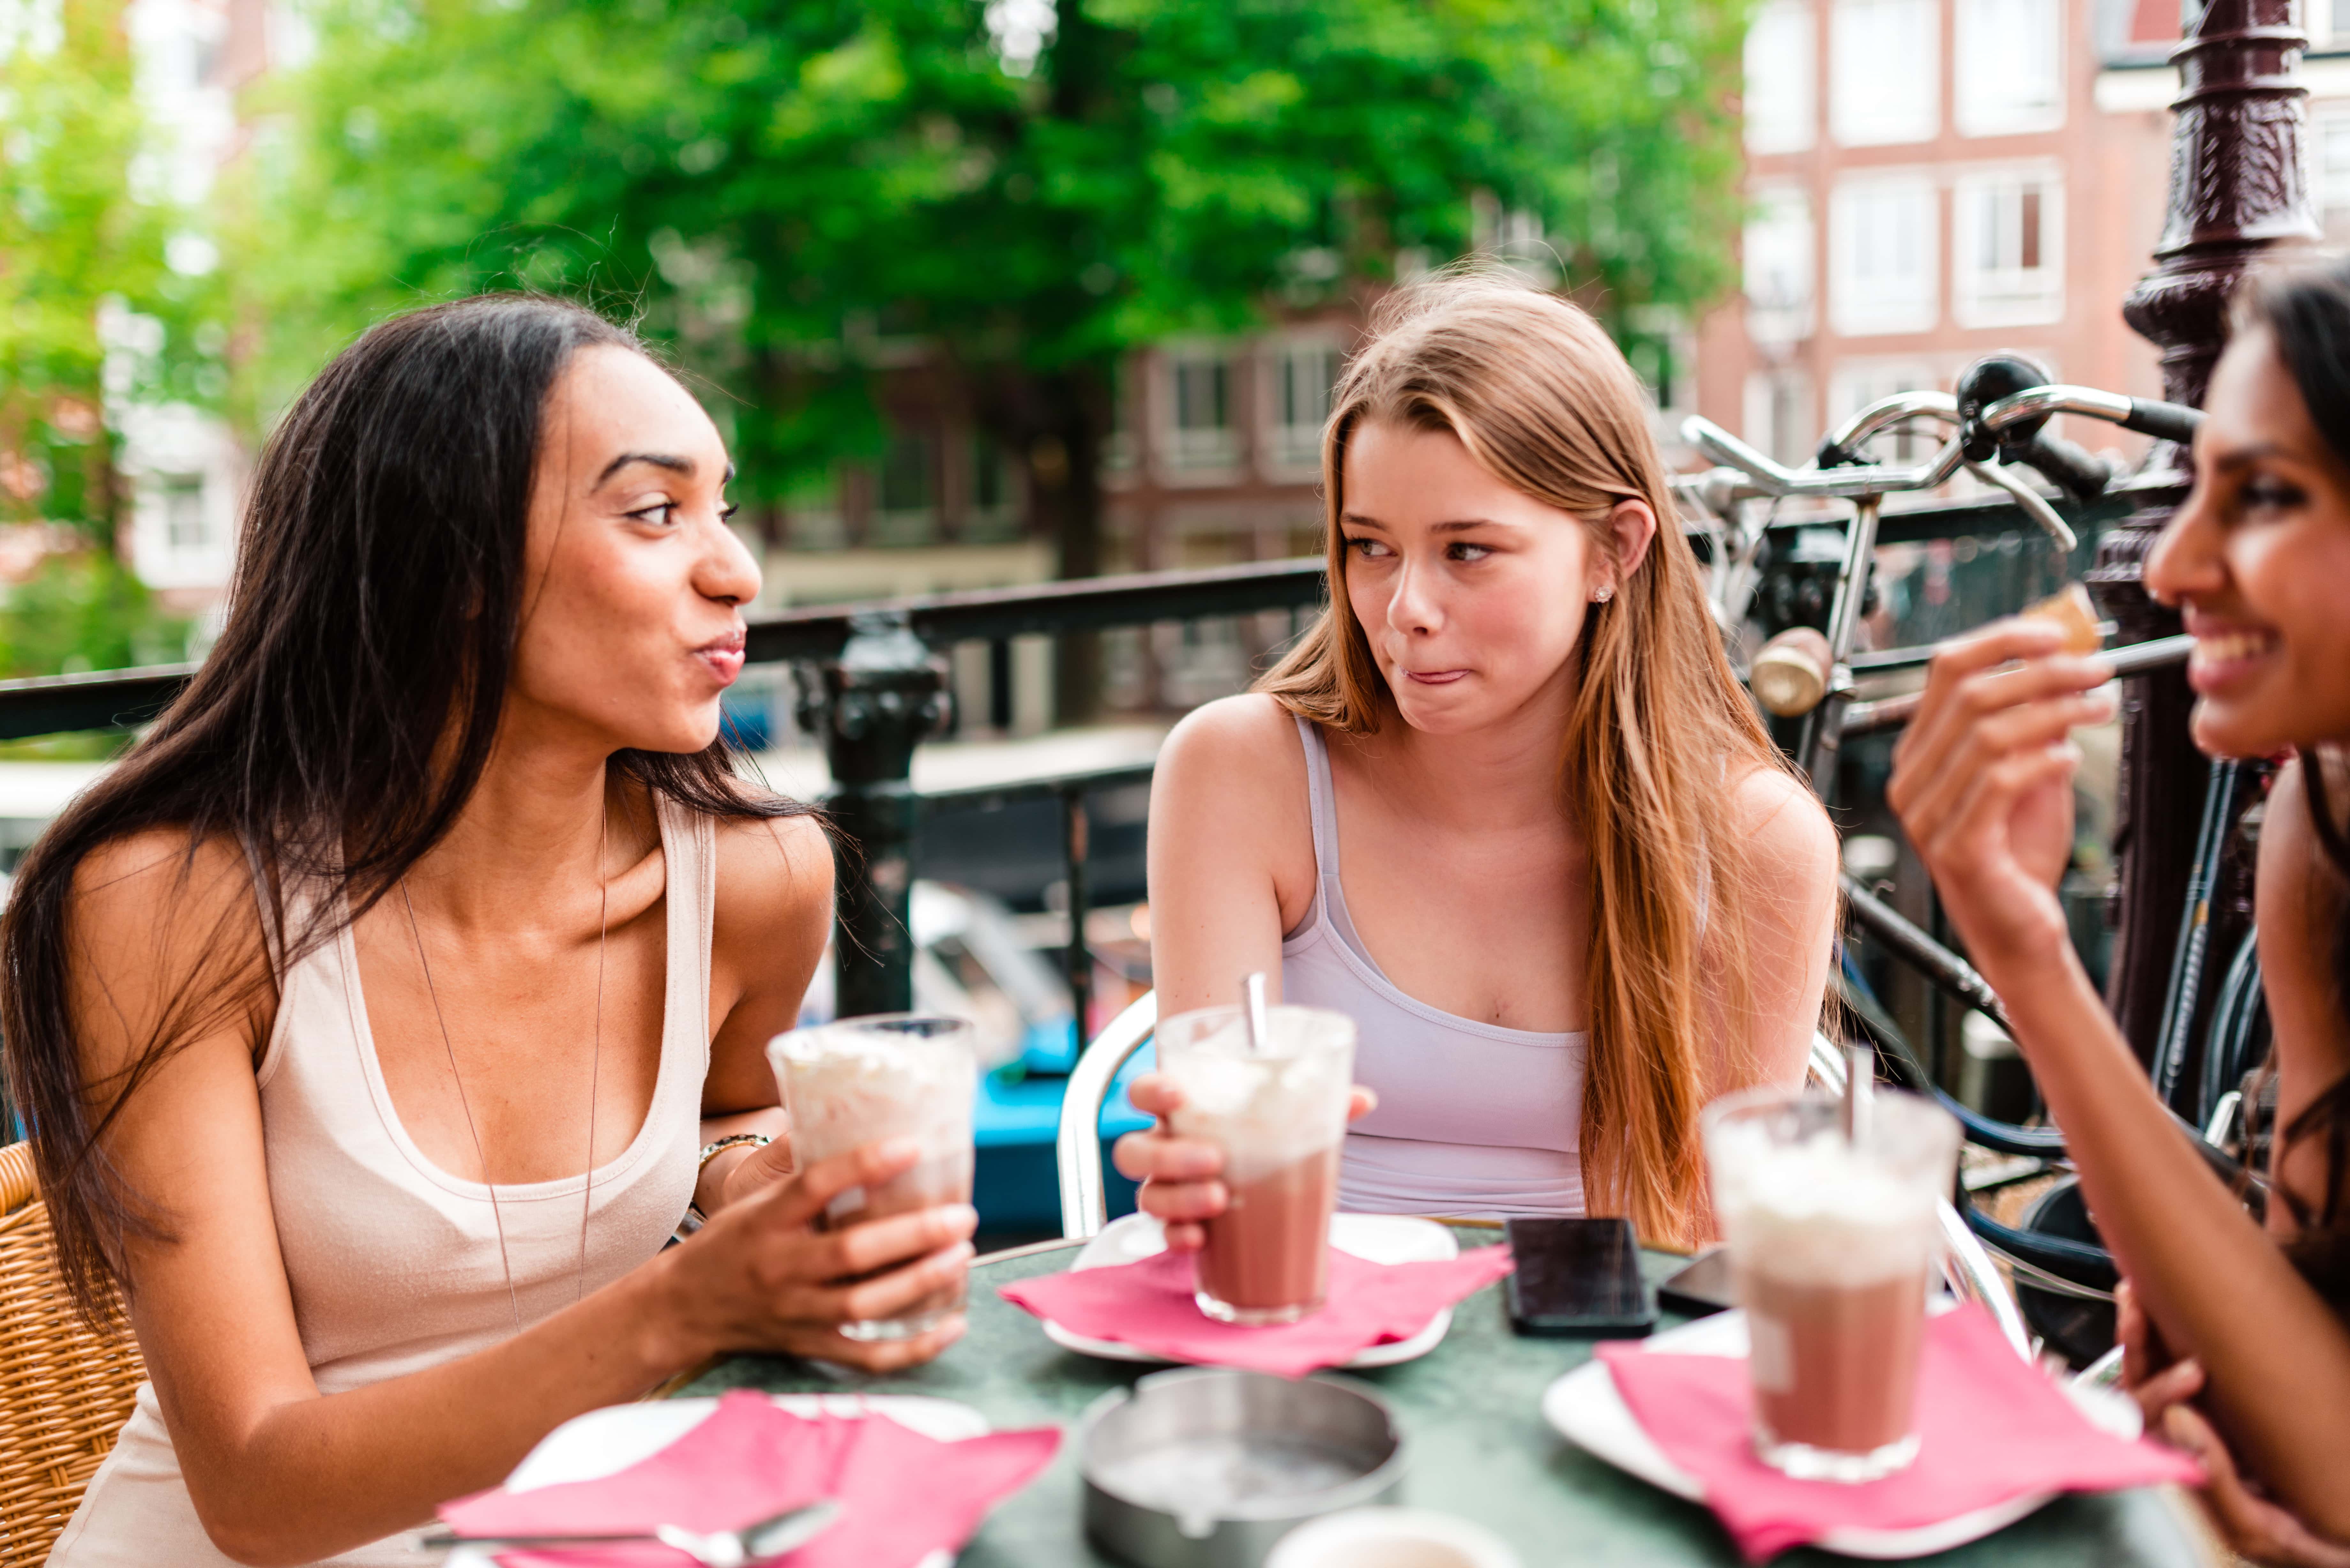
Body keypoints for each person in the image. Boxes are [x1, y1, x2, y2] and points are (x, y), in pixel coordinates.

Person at [4, 296, 977, 1567]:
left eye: (721, 509)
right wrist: (689, 1305)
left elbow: (728, 1116)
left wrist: (756, 1178)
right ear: (455, 570)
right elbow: (254, 1489)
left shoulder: (755, 876)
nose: (735, 570)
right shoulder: (174, 901)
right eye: (651, 513)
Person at [1116, 273, 1839, 1250]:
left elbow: (1708, 1261)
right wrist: (1197, 1183)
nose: (1405, 606)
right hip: (1302, 1347)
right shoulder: (1243, 774)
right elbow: (1224, 1197)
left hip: (1590, 1363)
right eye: (1369, 547)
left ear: (1611, 552)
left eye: (1467, 551)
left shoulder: (1754, 840)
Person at [1888, 258, 2350, 1559]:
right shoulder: (2324, 813)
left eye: (2261, 495)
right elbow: (2303, 1344)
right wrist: (2019, 942)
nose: (2176, 563)